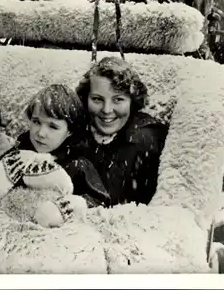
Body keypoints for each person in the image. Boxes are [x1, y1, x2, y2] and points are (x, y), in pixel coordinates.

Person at [76, 56, 168, 207]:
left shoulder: (146, 139)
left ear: (132, 100)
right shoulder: (77, 130)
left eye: (118, 100)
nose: (107, 110)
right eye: (97, 99)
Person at [14, 84, 111, 207]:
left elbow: (100, 201)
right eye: (36, 122)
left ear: (70, 131)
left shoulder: (77, 166)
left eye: (53, 127)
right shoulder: (19, 154)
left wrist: (69, 205)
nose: (41, 133)